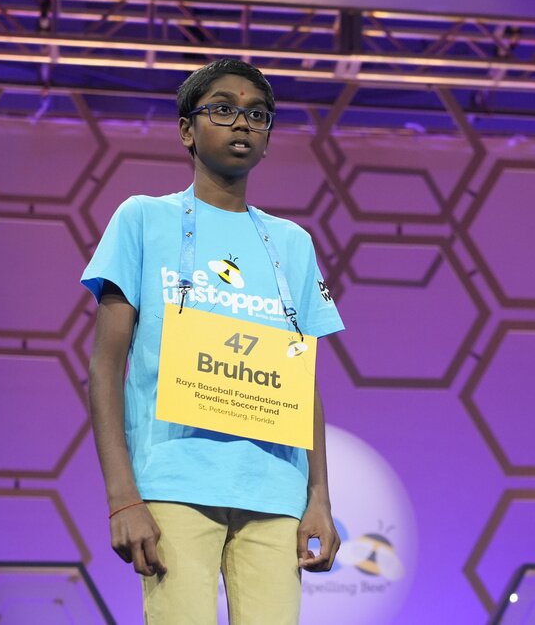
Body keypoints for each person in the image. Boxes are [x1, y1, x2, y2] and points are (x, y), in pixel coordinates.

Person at [82, 59, 344, 624]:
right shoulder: (143, 219)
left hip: (275, 490)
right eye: (223, 109)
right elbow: (106, 367)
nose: (242, 123)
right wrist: (122, 495)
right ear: (187, 130)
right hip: (175, 483)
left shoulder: (292, 243)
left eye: (257, 114)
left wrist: (318, 497)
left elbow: (304, 383)